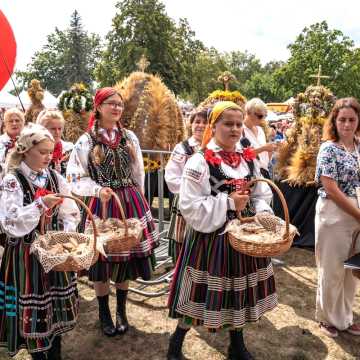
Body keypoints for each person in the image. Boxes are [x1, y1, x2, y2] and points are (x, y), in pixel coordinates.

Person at [167, 101, 277, 360]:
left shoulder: (247, 159)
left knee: (238, 292)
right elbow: (190, 205)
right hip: (211, 239)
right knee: (201, 293)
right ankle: (176, 342)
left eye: (239, 124)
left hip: (244, 237)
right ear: (213, 126)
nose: (235, 129)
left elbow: (260, 192)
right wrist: (227, 202)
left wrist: (261, 213)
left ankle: (236, 345)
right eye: (228, 124)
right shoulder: (199, 162)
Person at [66, 87, 158, 337]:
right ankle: (104, 312)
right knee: (101, 262)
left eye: (119, 104)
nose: (116, 108)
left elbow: (138, 170)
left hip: (129, 201)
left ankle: (121, 310)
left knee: (125, 258)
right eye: (110, 103)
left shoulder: (129, 137)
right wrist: (96, 190)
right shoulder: (85, 141)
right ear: (98, 107)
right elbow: (73, 177)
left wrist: (142, 199)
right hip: (102, 205)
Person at [0, 123, 80, 359]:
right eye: (42, 152)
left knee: (54, 315)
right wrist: (39, 205)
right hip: (26, 257)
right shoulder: (13, 181)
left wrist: (66, 234)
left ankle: (55, 353)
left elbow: (71, 212)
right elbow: (10, 223)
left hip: (55, 255)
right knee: (34, 318)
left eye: (50, 151)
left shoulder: (55, 178)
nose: (48, 156)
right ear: (25, 150)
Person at [315, 97, 360, 338]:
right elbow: (330, 188)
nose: (347, 124)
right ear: (334, 121)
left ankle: (344, 318)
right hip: (334, 214)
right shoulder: (328, 148)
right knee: (331, 269)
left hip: (357, 216)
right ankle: (326, 318)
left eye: (352, 119)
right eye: (342, 119)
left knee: (352, 271)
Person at [165, 108, 207, 263]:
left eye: (205, 122)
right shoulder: (183, 148)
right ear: (191, 124)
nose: (200, 125)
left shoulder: (215, 147)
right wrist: (191, 190)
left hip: (209, 204)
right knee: (184, 240)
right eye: (197, 122)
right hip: (187, 201)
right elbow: (171, 177)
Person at [36, 109, 73, 176]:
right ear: (43, 129)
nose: (57, 132)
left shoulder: (69, 148)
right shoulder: (35, 151)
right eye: (53, 129)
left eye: (60, 128)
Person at [0, 108, 25, 179]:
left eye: (17, 120)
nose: (14, 123)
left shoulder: (30, 141)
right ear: (5, 124)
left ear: (23, 123)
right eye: (10, 121)